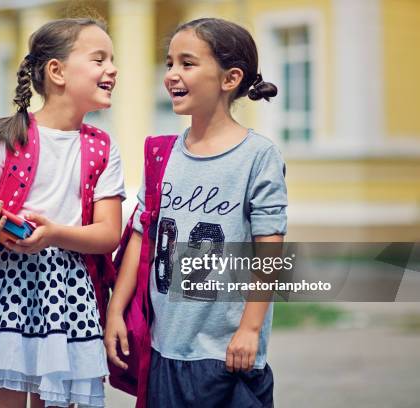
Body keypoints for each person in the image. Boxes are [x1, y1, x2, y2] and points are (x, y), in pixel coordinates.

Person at [0, 17, 125, 408]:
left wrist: (54, 234)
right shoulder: (4, 138)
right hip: (1, 293)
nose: (112, 68)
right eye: (98, 59)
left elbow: (109, 234)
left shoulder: (104, 148)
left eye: (112, 59)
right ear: (57, 71)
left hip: (67, 297)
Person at [105, 17, 287, 408]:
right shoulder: (161, 153)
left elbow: (270, 246)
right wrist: (116, 310)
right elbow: (141, 233)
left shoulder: (258, 156)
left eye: (187, 63)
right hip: (163, 347)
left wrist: (250, 329)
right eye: (169, 63)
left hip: (225, 352)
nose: (171, 75)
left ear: (229, 78)